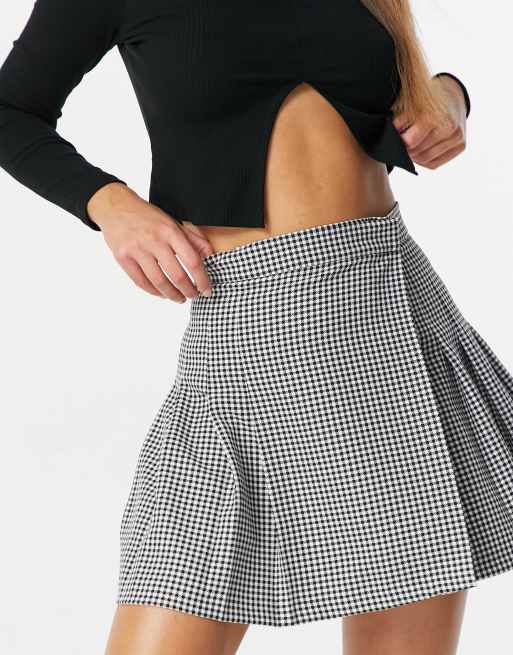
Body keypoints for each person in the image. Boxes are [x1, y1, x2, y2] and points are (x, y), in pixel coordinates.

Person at [0, 2, 511, 655]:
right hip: (244, 330)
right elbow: (10, 110)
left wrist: (449, 98)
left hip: (388, 320)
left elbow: (389, 86)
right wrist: (111, 205)